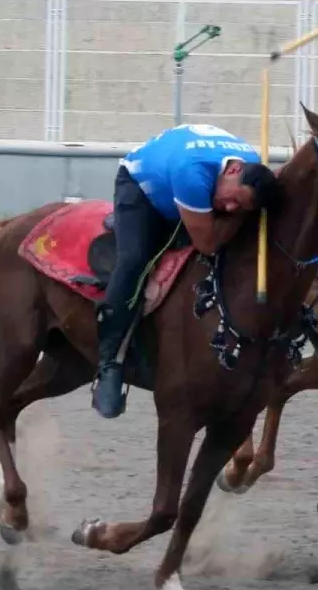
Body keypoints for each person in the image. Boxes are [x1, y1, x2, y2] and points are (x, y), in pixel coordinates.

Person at [93, 123, 284, 419]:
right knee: (135, 260)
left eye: (240, 206)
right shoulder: (193, 175)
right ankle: (108, 363)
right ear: (233, 171)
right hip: (142, 189)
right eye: (234, 200)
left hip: (189, 183)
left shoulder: (246, 169)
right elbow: (208, 243)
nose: (232, 207)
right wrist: (243, 217)